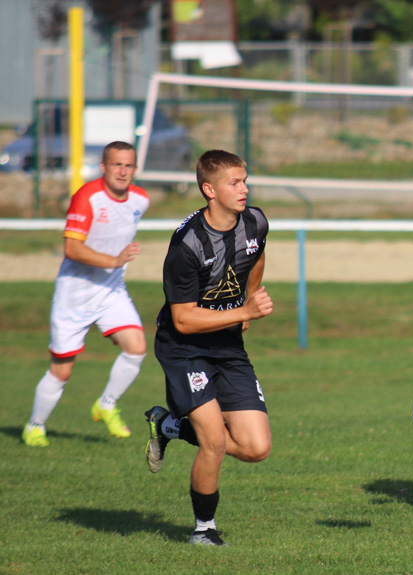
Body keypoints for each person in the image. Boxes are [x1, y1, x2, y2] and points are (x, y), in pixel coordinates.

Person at [144, 149, 273, 547]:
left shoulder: (255, 221)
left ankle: (169, 426)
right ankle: (203, 530)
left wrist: (246, 302)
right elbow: (183, 318)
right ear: (208, 190)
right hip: (183, 347)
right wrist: (242, 311)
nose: (244, 189)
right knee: (214, 441)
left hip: (227, 345)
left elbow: (257, 254)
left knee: (256, 448)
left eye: (245, 180)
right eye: (234, 183)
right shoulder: (188, 245)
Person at [22, 141, 149, 447]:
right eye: (116, 164)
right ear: (103, 167)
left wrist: (115, 267)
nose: (123, 171)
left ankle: (105, 404)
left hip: (112, 291)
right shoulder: (87, 197)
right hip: (74, 295)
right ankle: (35, 426)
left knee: (137, 348)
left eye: (128, 165)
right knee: (62, 369)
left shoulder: (141, 199)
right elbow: (72, 248)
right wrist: (114, 261)